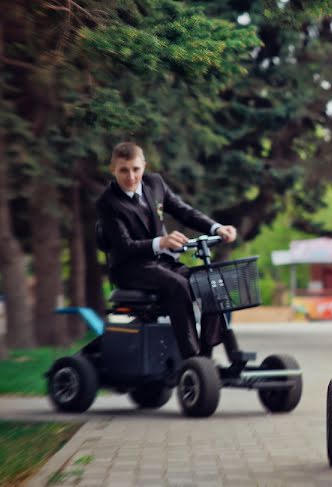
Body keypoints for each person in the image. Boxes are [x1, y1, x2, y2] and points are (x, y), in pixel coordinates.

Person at [96, 142, 237, 359]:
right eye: (123, 170)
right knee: (177, 285)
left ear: (144, 165)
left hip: (162, 264)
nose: (131, 177)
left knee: (211, 282)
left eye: (136, 169)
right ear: (112, 169)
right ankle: (191, 355)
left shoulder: (155, 183)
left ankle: (205, 353)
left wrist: (216, 227)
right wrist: (160, 242)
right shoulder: (108, 203)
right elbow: (124, 246)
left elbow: (183, 211)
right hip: (130, 269)